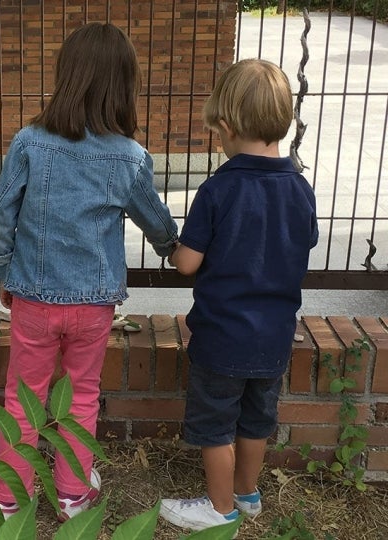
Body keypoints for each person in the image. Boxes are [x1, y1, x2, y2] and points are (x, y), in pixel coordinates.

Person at [0, 22, 178, 525]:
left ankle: (7, 499)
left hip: (33, 299)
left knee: (22, 400)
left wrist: (5, 272)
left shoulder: (29, 142)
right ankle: (73, 494)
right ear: (124, 86)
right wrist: (171, 245)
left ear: (65, 75)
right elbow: (152, 217)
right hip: (93, 305)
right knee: (82, 397)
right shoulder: (130, 158)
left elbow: (3, 213)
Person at [160, 58, 319, 533]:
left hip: (223, 335)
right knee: (255, 420)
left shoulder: (218, 189)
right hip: (274, 335)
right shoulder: (301, 189)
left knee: (214, 424)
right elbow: (302, 244)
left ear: (226, 127)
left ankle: (219, 507)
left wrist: (173, 249)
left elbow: (188, 262)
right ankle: (248, 493)